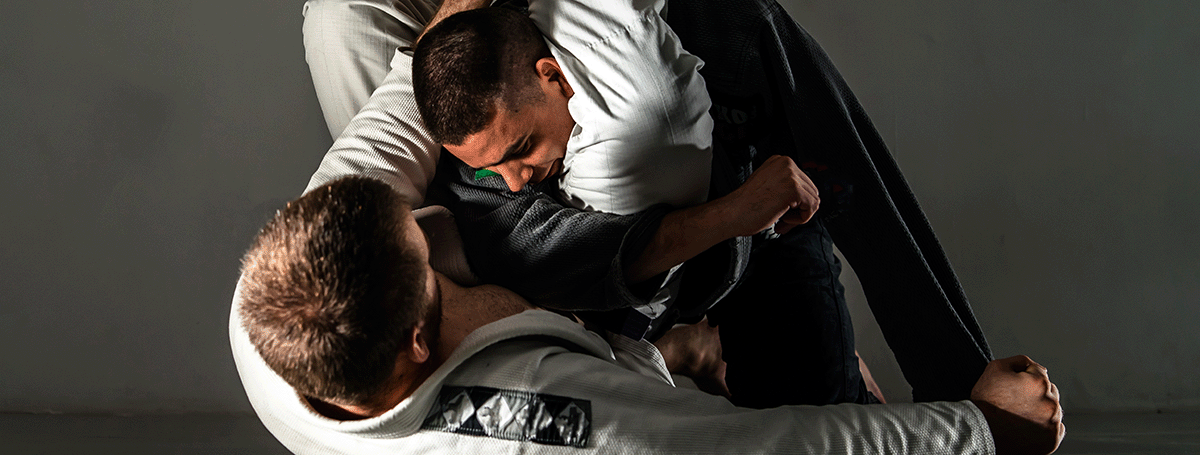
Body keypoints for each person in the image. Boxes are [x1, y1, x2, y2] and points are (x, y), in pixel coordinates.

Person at [355, 0, 991, 409]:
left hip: (765, 224)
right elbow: (536, 237)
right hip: (621, 299)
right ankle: (678, 345)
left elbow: (859, 180)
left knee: (819, 411)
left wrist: (968, 388)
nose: (516, 178)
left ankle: (815, 370)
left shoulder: (714, 13)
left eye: (522, 148)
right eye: (494, 167)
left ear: (553, 75)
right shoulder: (485, 155)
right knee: (346, 13)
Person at [231, 175, 1065, 454]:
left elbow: (380, 141)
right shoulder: (546, 420)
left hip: (636, 359)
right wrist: (983, 429)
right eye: (426, 266)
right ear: (419, 342)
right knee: (793, 248)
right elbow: (780, 448)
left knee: (343, 10)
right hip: (685, 423)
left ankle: (677, 352)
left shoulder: (265, 317)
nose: (432, 234)